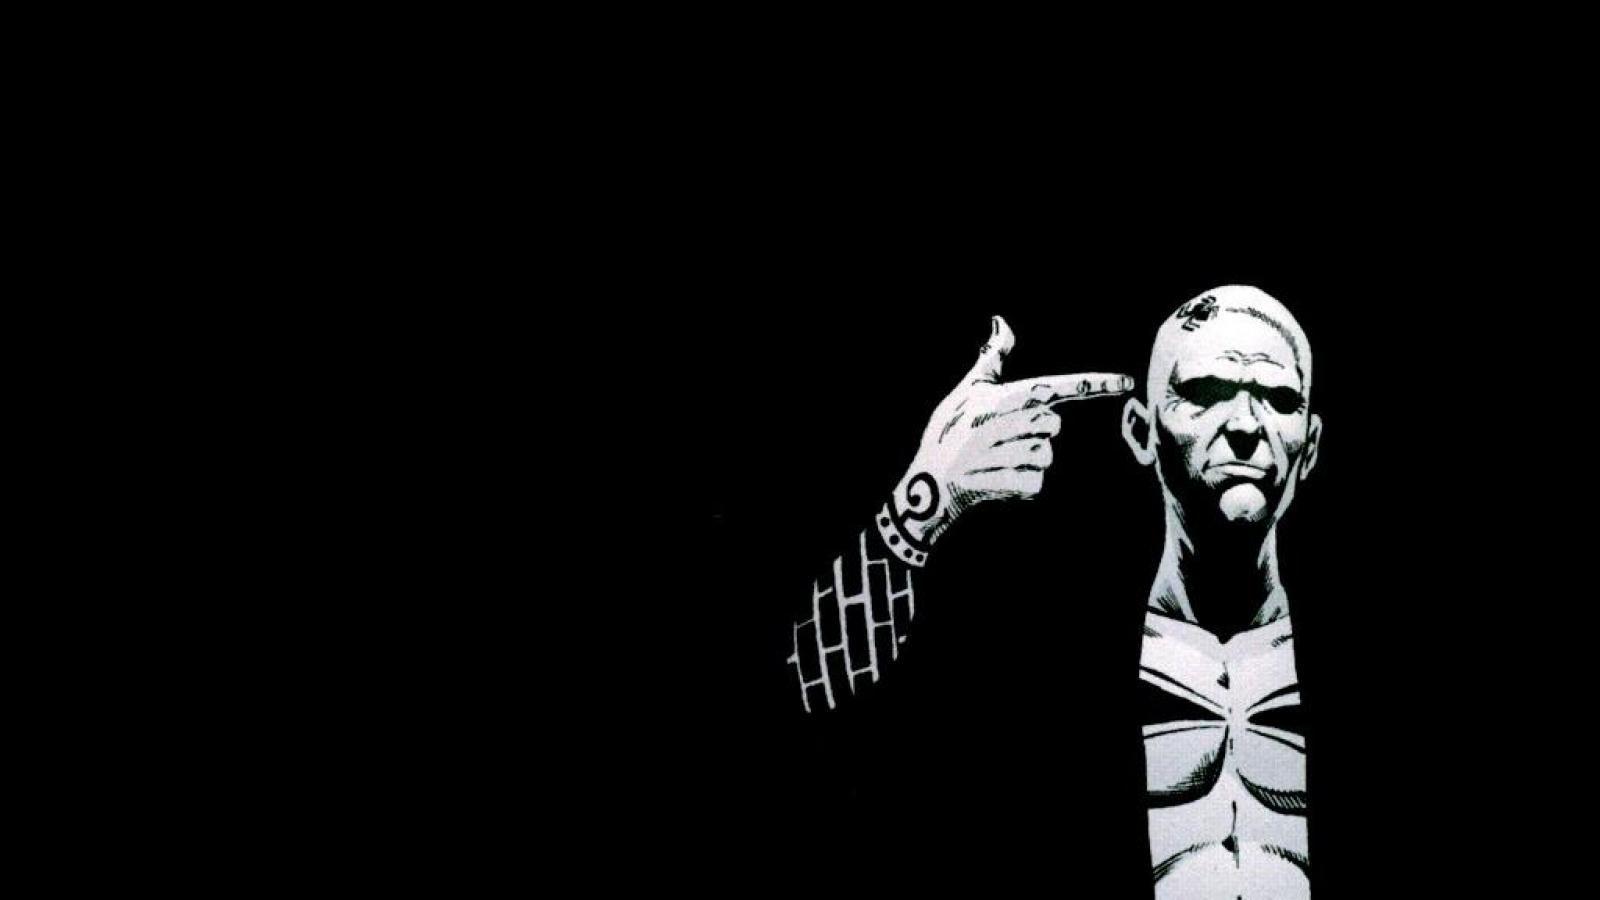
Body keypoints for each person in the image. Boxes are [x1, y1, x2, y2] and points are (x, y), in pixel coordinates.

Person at [786, 286, 1320, 897]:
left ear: (1310, 446)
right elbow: (803, 719)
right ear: (1140, 431)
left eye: (1280, 399)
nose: (1247, 425)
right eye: (1205, 392)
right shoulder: (1041, 665)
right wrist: (922, 506)